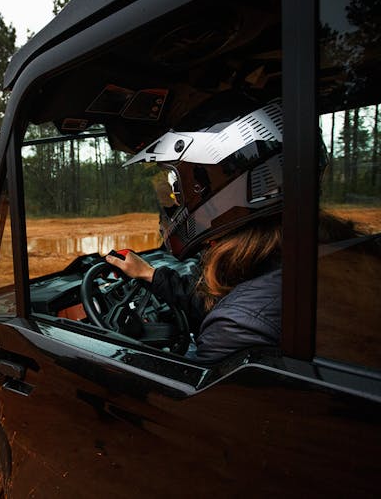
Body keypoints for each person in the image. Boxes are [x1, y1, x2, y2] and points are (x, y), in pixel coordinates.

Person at [105, 101, 286, 363]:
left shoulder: (235, 331)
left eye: (177, 185)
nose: (175, 197)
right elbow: (216, 300)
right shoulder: (284, 254)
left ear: (219, 189)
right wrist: (150, 274)